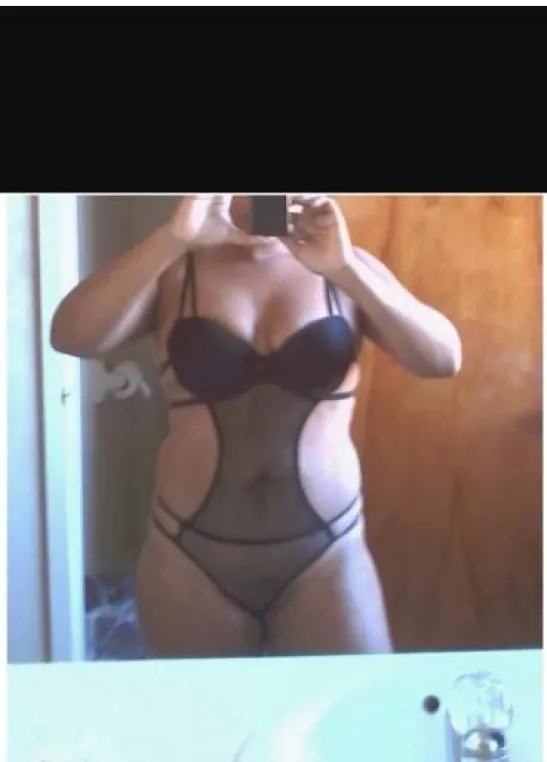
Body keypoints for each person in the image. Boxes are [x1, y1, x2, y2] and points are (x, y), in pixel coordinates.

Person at [51, 195, 462, 658]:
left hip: (327, 558)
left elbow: (443, 359)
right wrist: (172, 239)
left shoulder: (344, 266)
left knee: (352, 703)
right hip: (189, 560)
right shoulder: (175, 270)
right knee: (208, 708)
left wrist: (346, 269)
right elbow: (70, 336)